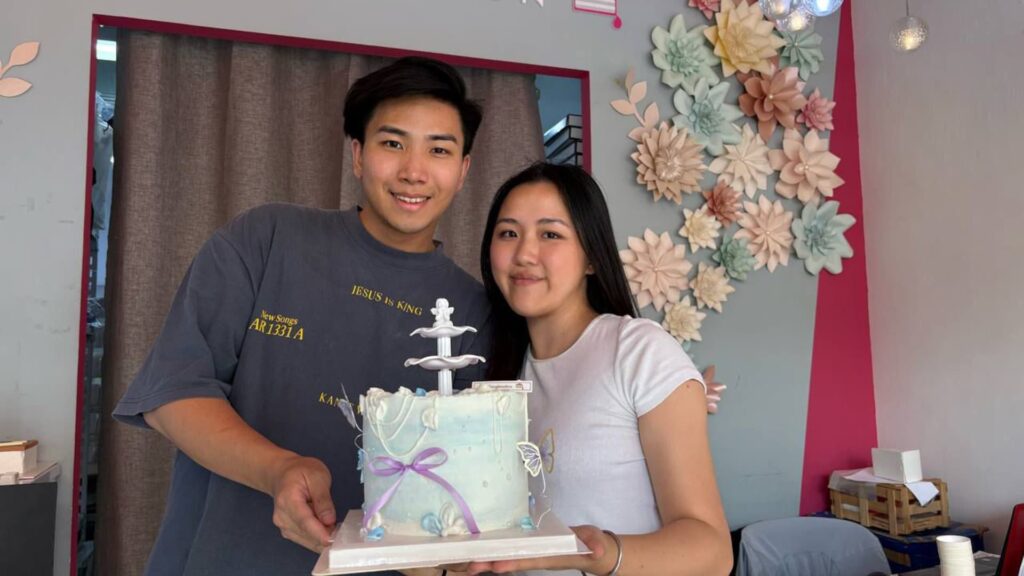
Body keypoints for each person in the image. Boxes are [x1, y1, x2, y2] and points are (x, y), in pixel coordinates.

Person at [113, 56, 492, 576]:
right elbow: (172, 394)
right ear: (357, 155)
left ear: (464, 170)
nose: (414, 171)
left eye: (439, 150)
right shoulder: (267, 239)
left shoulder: (473, 315)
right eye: (392, 143)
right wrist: (278, 470)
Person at [471, 163, 733, 575]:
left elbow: (713, 552)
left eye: (550, 234)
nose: (524, 254)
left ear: (592, 257)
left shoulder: (637, 352)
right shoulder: (502, 377)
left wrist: (599, 552)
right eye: (508, 233)